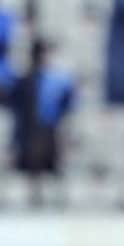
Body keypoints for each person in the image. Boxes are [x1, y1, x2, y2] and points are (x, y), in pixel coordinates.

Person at [10, 39, 74, 175]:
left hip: (49, 136)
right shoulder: (23, 82)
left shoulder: (58, 81)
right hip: (28, 137)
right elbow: (17, 113)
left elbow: (66, 107)